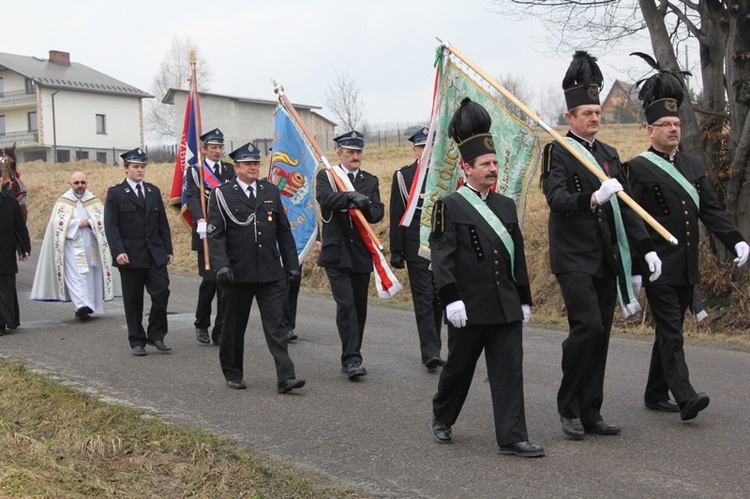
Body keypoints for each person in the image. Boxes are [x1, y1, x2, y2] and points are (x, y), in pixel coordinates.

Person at [541, 51, 663, 440]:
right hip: (573, 256)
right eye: (587, 113)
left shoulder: (610, 156)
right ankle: (569, 407)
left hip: (606, 258)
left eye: (597, 112)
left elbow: (627, 211)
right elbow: (556, 197)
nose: (595, 118)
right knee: (587, 327)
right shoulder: (558, 151)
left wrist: (644, 253)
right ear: (570, 118)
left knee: (603, 332)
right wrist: (593, 198)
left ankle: (591, 410)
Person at [624, 58, 749, 421]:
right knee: (671, 330)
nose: (673, 129)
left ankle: (654, 391)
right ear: (650, 130)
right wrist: (639, 260)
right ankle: (685, 395)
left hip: (686, 264)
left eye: (677, 123)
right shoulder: (638, 168)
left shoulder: (693, 167)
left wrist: (736, 240)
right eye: (665, 125)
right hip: (657, 263)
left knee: (671, 329)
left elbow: (710, 211)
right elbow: (633, 221)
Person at [429, 98, 543, 458]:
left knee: (509, 371)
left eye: (495, 163)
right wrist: (451, 299)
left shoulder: (505, 206)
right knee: (459, 370)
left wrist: (524, 298)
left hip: (505, 305)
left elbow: (516, 257)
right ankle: (442, 416)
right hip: (469, 306)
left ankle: (512, 437)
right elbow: (441, 258)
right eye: (486, 164)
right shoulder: (449, 206)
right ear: (466, 167)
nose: (493, 169)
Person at [206, 142, 305, 393]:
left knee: (277, 325)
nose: (253, 167)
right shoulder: (222, 194)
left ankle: (286, 377)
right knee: (233, 326)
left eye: (256, 163)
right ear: (236, 167)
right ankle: (233, 371)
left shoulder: (269, 191)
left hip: (270, 271)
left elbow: (284, 232)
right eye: (248, 164)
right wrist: (222, 266)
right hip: (237, 273)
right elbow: (215, 234)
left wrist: (292, 265)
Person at [316, 130, 385, 380]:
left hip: (360, 253)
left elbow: (378, 212)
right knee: (345, 305)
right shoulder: (328, 176)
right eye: (350, 152)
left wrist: (366, 205)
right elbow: (324, 198)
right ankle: (352, 359)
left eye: (358, 152)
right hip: (336, 251)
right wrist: (349, 197)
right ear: (340, 153)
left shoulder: (370, 180)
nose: (355, 156)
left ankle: (352, 351)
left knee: (359, 307)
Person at [104, 148, 173, 356]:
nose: (140, 170)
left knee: (161, 293)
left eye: (142, 167)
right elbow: (111, 226)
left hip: (154, 253)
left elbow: (162, 223)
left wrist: (167, 249)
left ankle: (157, 334)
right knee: (133, 300)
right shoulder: (116, 193)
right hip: (130, 255)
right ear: (126, 169)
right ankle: (137, 339)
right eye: (135, 167)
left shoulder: (153, 191)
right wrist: (118, 251)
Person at [31, 172, 121, 320]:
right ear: (70, 184)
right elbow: (55, 224)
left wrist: (91, 223)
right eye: (77, 183)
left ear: (87, 183)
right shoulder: (63, 202)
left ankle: (90, 305)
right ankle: (80, 306)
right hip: (72, 246)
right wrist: (75, 224)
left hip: (91, 245)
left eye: (83, 182)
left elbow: (103, 221)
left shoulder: (94, 201)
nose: (80, 186)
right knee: (76, 276)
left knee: (91, 276)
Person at [390, 127, 444, 370]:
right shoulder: (404, 176)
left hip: (442, 247)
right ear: (415, 149)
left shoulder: (445, 174)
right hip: (415, 247)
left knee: (439, 299)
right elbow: (397, 214)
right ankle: (430, 352)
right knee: (424, 299)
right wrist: (396, 250)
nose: (426, 150)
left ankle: (436, 348)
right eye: (422, 146)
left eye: (430, 145)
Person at [186, 128, 235, 346]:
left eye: (220, 147)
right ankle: (201, 324)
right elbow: (193, 197)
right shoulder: (196, 171)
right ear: (204, 150)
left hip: (227, 233)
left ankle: (221, 329)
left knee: (226, 283)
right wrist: (200, 220)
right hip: (206, 232)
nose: (217, 151)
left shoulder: (230, 170)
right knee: (210, 281)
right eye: (213, 147)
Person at [0, 190, 30, 335]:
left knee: (6, 287)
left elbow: (19, 226)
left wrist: (24, 247)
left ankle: (6, 320)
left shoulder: (10, 201)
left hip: (5, 251)